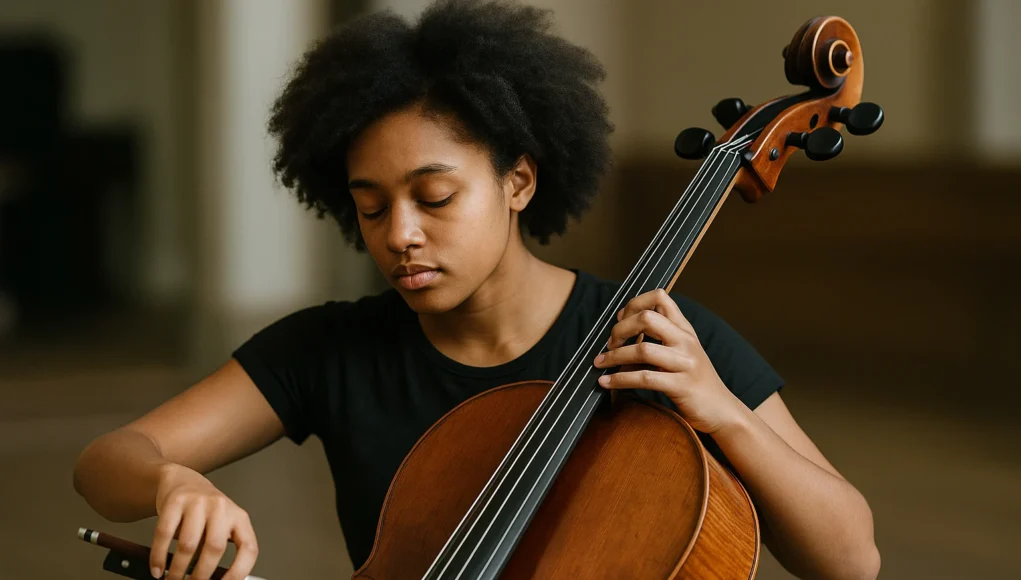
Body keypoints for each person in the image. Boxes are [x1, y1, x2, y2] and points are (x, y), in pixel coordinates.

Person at [73, 1, 880, 579]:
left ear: (519, 181)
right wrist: (172, 480)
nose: (399, 234)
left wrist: (722, 414)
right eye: (369, 206)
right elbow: (108, 463)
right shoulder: (328, 349)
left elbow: (851, 560)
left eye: (434, 197)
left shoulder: (660, 341)